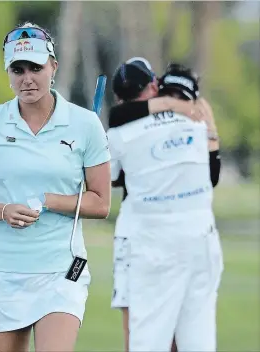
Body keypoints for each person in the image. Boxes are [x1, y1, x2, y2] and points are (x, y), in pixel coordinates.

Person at [0, 22, 111, 352]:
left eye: (36, 68)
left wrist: (50, 200)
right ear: (8, 72)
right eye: (17, 69)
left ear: (53, 66)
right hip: (2, 271)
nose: (27, 78)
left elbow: (101, 203)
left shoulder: (85, 124)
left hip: (62, 269)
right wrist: (2, 210)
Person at [107, 61, 223, 352]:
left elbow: (109, 176)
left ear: (158, 87)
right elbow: (213, 177)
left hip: (152, 243)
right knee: (199, 340)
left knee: (146, 340)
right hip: (201, 240)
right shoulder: (200, 124)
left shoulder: (122, 130)